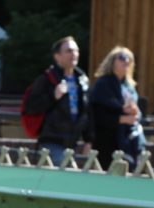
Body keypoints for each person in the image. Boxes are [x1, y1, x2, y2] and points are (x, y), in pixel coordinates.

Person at [22, 36, 92, 165]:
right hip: (52, 143)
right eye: (69, 51)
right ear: (57, 56)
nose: (74, 54)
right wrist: (53, 96)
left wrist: (89, 140)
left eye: (76, 51)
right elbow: (30, 107)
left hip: (73, 144)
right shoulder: (47, 79)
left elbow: (87, 113)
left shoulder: (82, 81)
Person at [90, 46, 145, 170]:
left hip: (128, 142)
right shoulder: (102, 84)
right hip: (107, 144)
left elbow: (137, 115)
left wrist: (135, 113)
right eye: (122, 58)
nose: (126, 61)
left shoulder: (130, 86)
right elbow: (97, 116)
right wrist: (122, 118)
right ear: (112, 61)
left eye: (129, 59)